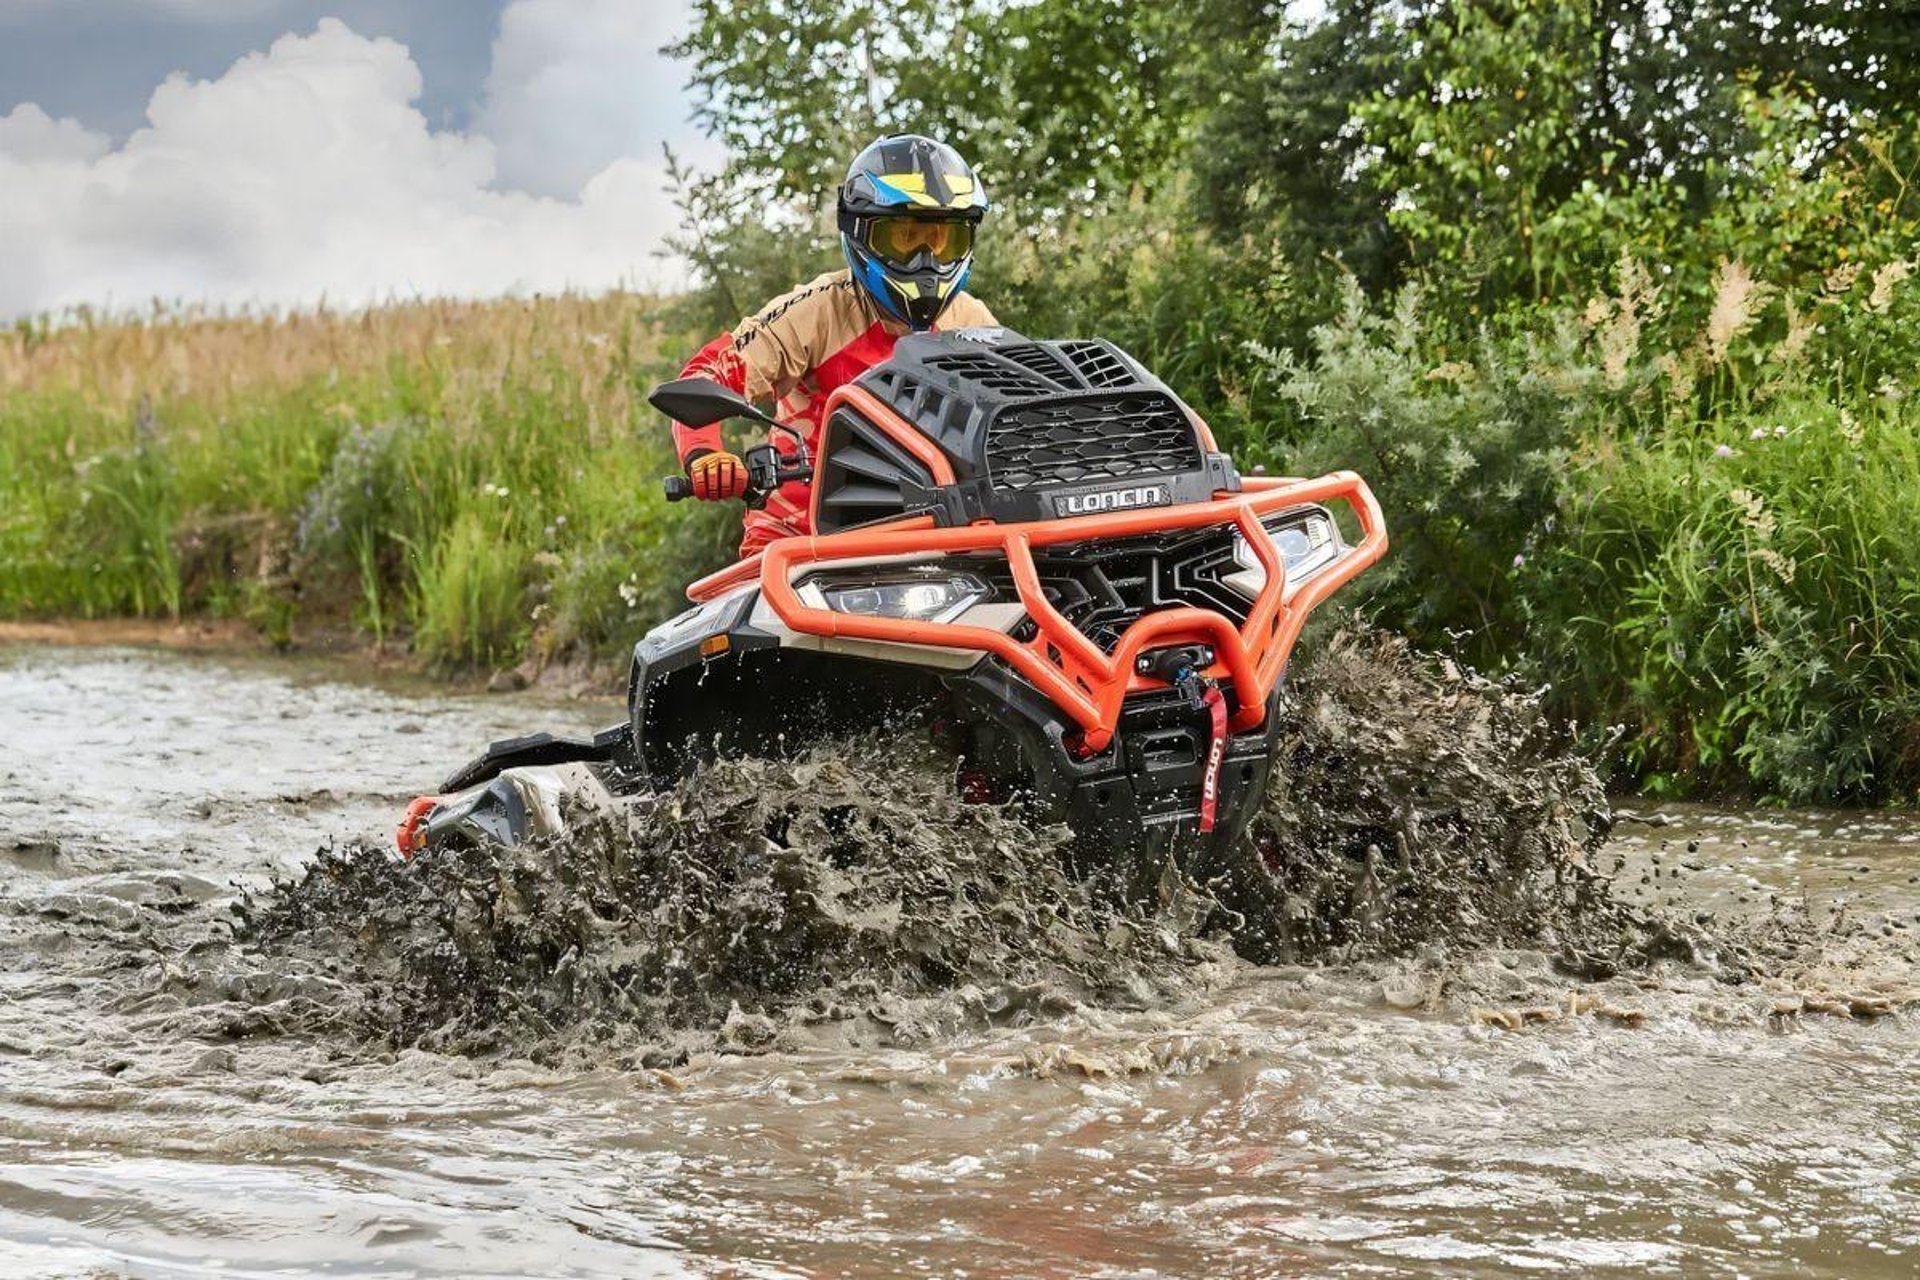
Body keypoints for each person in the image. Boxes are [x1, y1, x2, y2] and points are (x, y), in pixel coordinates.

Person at [668, 133, 998, 556]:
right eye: (904, 237)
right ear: (860, 231)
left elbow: (1034, 398)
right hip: (798, 548)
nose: (925, 260)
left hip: (932, 544)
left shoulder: (972, 322)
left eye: (939, 240)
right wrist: (705, 456)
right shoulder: (820, 310)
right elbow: (709, 373)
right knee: (752, 621)